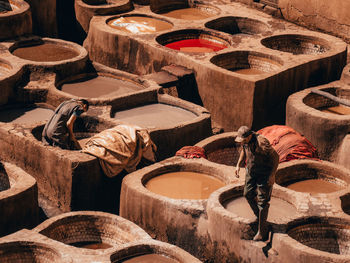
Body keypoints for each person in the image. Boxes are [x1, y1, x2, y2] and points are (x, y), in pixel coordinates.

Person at [235, 126, 279, 241]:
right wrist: (238, 165)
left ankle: (262, 231)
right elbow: (244, 151)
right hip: (252, 171)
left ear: (249, 136)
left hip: (264, 173)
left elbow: (275, 157)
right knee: (247, 193)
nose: (242, 142)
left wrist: (272, 175)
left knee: (262, 201)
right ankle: (260, 218)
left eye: (243, 140)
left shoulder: (262, 143)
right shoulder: (245, 142)